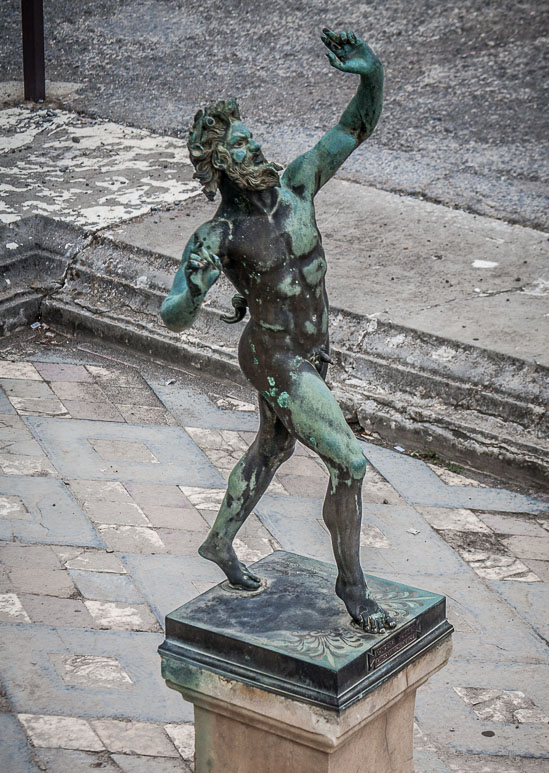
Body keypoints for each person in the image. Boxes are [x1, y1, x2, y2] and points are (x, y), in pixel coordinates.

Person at [161, 29, 394, 633]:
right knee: (350, 463)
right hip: (274, 355)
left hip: (313, 350)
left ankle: (219, 542)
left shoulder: (299, 185)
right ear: (222, 164)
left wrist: (371, 75)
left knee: (273, 447)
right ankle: (353, 587)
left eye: (252, 136)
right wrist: (190, 294)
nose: (256, 144)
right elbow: (174, 312)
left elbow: (354, 130)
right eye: (242, 143)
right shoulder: (218, 237)